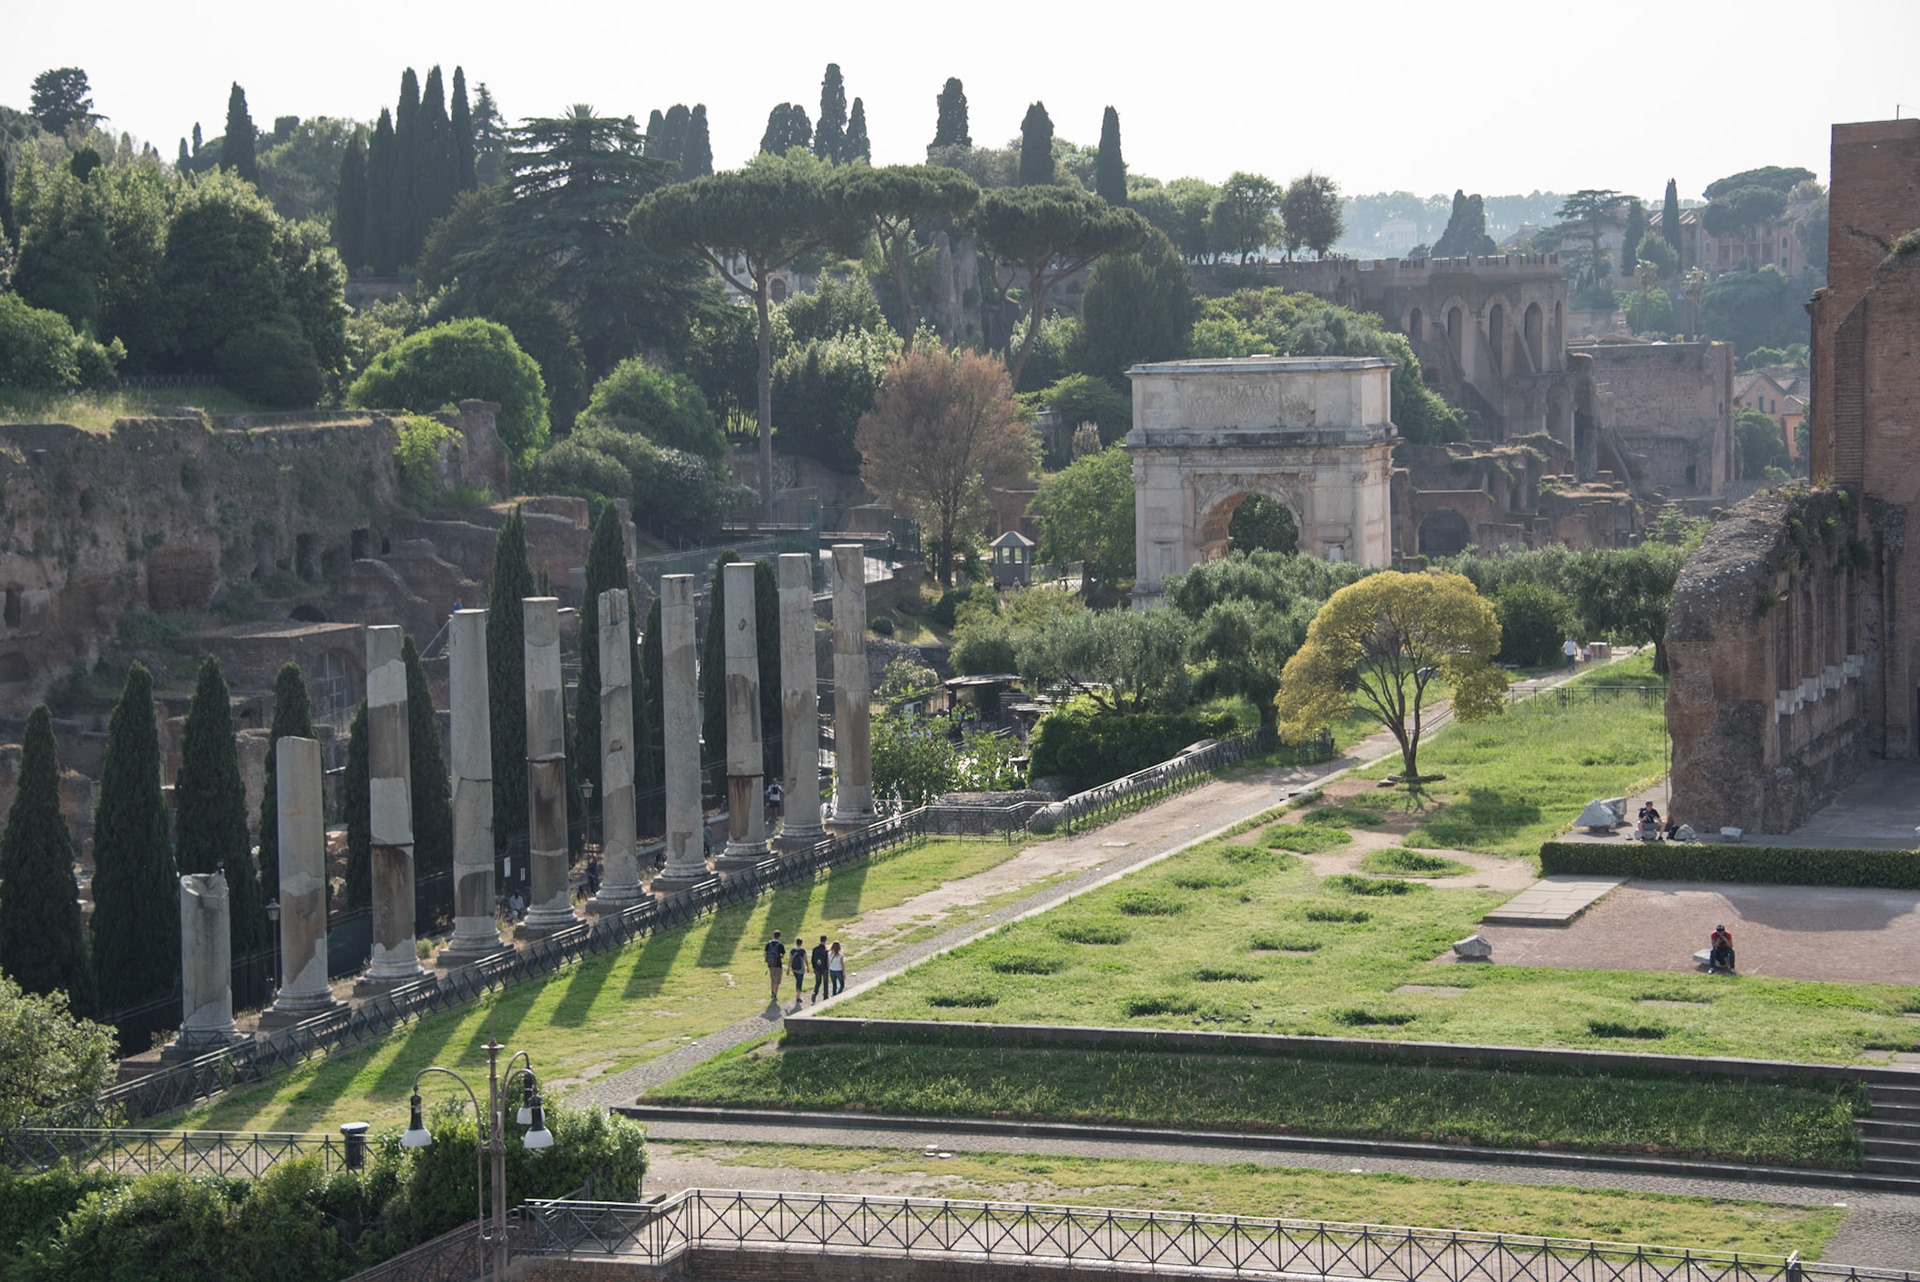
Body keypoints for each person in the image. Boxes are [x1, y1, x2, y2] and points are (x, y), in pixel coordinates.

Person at [763, 930, 786, 1000]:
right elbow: (783, 955)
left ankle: (772, 992)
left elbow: (765, 953)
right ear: (779, 936)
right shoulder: (780, 945)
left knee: (772, 979)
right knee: (777, 980)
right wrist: (779, 956)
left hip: (770, 964)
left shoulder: (769, 944)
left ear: (773, 935)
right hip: (778, 964)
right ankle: (775, 995)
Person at [810, 935, 830, 1003]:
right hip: (824, 968)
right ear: (825, 940)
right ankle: (825, 996)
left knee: (818, 982)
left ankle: (815, 993)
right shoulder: (825, 950)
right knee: (825, 982)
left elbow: (812, 959)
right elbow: (827, 960)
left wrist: (814, 967)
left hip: (817, 968)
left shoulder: (815, 949)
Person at [789, 936, 809, 1001]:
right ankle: (798, 996)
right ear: (801, 943)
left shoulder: (792, 950)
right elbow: (806, 960)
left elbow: (790, 960)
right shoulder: (802, 951)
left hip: (794, 968)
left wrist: (788, 969)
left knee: (797, 981)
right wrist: (808, 967)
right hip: (801, 969)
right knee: (799, 982)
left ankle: (798, 995)